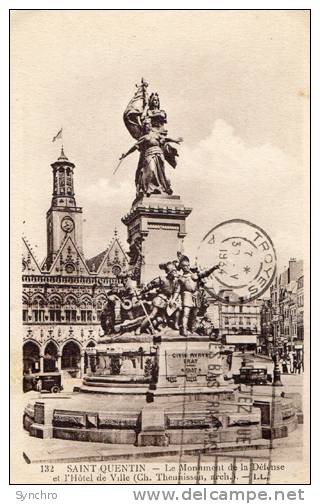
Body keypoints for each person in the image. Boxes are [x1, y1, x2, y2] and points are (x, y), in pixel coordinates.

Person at [119, 121, 183, 197]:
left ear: (150, 127)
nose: (147, 127)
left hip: (159, 154)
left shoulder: (156, 135)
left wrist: (175, 140)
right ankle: (150, 189)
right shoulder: (143, 138)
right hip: (149, 154)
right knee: (151, 170)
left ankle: (161, 188)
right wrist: (125, 154)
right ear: (144, 128)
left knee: (160, 172)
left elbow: (165, 139)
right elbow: (134, 148)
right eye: (145, 126)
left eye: (148, 125)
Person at [172, 255, 219, 336]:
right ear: (182, 267)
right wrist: (173, 299)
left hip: (195, 295)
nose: (187, 267)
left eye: (188, 265)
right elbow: (177, 290)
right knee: (186, 313)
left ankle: (192, 328)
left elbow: (205, 273)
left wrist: (213, 268)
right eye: (185, 266)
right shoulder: (181, 278)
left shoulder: (194, 275)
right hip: (186, 294)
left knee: (194, 313)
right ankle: (184, 329)